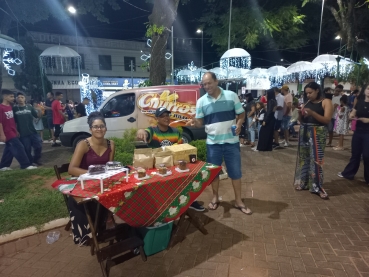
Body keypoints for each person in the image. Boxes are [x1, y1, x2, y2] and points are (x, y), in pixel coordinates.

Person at [191, 72, 252, 215]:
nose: (207, 86)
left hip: (231, 142)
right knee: (213, 174)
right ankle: (215, 197)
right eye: (204, 84)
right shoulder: (201, 102)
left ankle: (238, 201)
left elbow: (241, 114)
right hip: (213, 143)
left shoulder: (231, 96)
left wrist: (239, 123)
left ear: (216, 81)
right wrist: (195, 122)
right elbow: (200, 122)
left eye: (209, 83)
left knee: (235, 173)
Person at [136, 107, 205, 212]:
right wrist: (141, 131)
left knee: (188, 174)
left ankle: (190, 201)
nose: (166, 118)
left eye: (167, 115)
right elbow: (144, 132)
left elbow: (181, 149)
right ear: (157, 119)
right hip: (157, 167)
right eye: (162, 116)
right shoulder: (152, 131)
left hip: (173, 165)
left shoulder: (175, 131)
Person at [67, 112, 115, 245]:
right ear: (90, 129)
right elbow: (72, 169)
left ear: (106, 128)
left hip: (101, 183)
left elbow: (109, 167)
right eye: (95, 126)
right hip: (84, 183)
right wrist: (95, 174)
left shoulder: (111, 144)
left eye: (102, 126)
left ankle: (106, 221)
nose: (99, 129)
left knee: (119, 191)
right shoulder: (83, 144)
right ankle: (90, 231)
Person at [294, 82, 333, 199]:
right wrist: (299, 113)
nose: (308, 95)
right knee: (304, 159)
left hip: (318, 132)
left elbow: (327, 120)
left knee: (317, 159)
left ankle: (317, 186)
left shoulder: (326, 102)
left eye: (310, 92)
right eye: (307, 93)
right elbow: (301, 120)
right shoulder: (307, 103)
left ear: (317, 90)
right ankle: (304, 182)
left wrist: (312, 113)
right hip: (305, 131)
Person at [338, 84, 369, 185]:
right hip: (358, 131)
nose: (368, 91)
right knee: (355, 154)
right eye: (368, 89)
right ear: (364, 90)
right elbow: (354, 111)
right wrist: (351, 115)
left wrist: (367, 120)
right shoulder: (359, 102)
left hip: (367, 132)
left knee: (366, 155)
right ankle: (349, 173)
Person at [0, 90, 37, 170]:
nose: (13, 98)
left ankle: (3, 166)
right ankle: (25, 165)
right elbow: (0, 123)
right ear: (5, 97)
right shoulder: (1, 108)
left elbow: (12, 121)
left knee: (9, 149)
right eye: (11, 96)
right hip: (7, 132)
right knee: (19, 147)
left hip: (13, 131)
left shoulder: (9, 106)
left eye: (13, 96)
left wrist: (16, 130)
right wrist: (2, 135)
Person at [13, 92, 43, 166]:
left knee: (38, 145)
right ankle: (29, 163)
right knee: (27, 149)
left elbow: (37, 116)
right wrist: (16, 131)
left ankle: (35, 160)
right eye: (18, 97)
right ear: (16, 99)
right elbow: (13, 121)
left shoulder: (29, 107)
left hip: (33, 131)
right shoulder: (14, 109)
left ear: (25, 98)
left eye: (22, 97)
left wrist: (39, 110)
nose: (20, 99)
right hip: (22, 133)